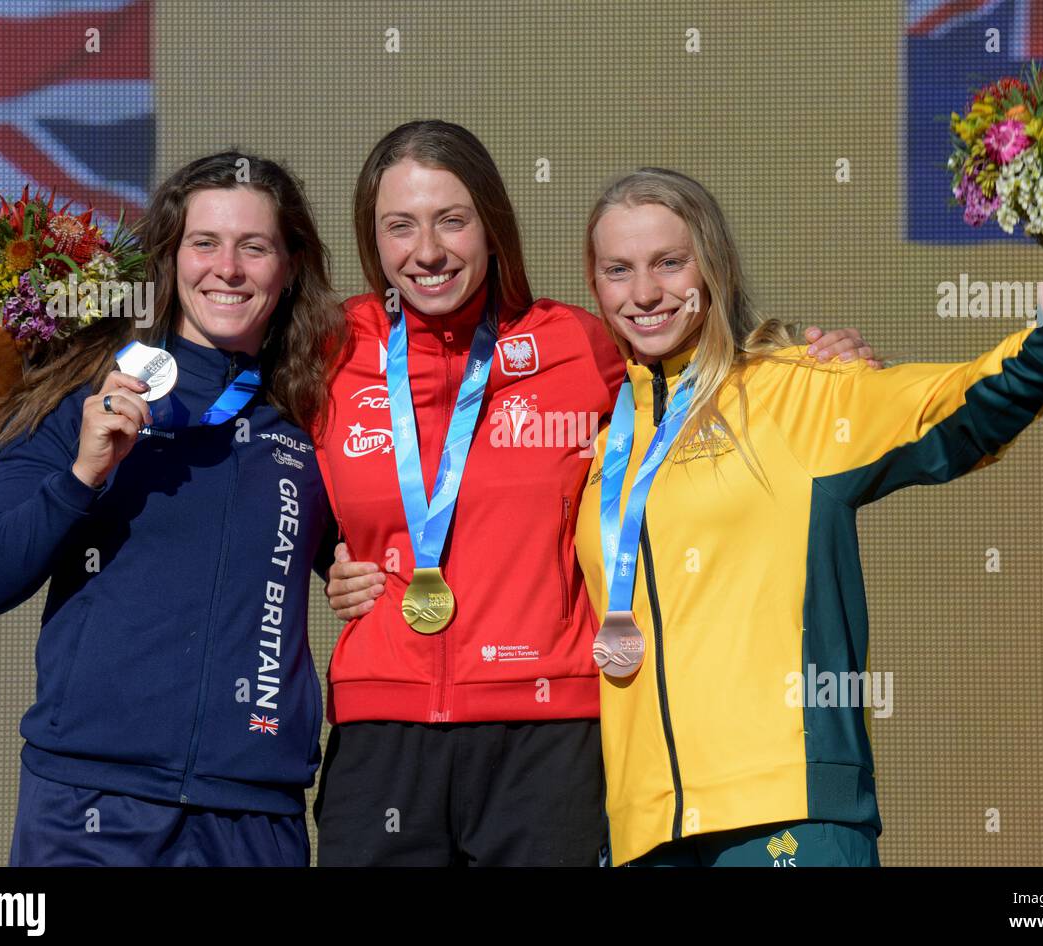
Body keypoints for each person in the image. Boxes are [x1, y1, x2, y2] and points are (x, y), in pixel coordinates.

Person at [313, 120, 877, 865]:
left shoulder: (578, 345)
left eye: (452, 220)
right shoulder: (329, 347)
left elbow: (692, 358)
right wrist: (331, 557)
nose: (427, 251)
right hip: (381, 737)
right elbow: (266, 476)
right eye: (400, 227)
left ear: (493, 226)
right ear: (372, 239)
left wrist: (805, 362)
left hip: (548, 741)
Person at [572, 167, 1043, 866]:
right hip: (646, 835)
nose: (644, 292)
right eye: (619, 270)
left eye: (670, 262)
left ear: (713, 266)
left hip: (789, 816)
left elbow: (969, 403)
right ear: (595, 286)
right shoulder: (605, 441)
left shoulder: (798, 392)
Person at [0, 150, 345, 866]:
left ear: (289, 268)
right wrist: (81, 476)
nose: (226, 268)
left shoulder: (313, 415)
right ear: (168, 258)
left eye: (253, 247)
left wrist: (358, 572)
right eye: (204, 243)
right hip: (89, 809)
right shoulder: (79, 392)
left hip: (252, 816)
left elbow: (371, 549)